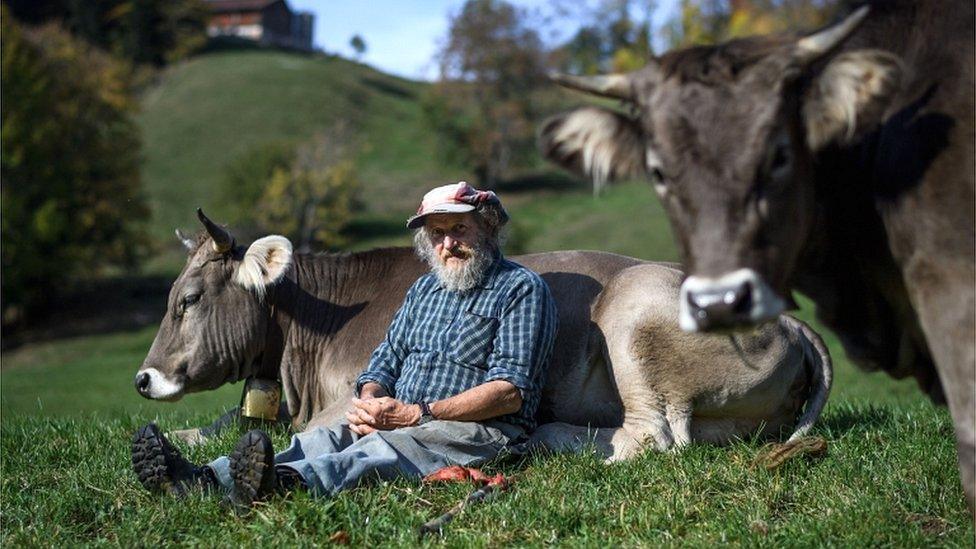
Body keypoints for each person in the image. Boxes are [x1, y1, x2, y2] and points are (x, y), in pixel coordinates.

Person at [131, 181, 558, 506]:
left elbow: (510, 392)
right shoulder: (425, 290)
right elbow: (384, 361)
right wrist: (370, 400)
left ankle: (281, 485)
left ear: (488, 228)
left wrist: (416, 413)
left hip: (476, 431)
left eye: (459, 229)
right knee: (321, 440)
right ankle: (200, 477)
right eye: (437, 232)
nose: (448, 244)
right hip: (404, 418)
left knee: (380, 451)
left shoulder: (520, 289)